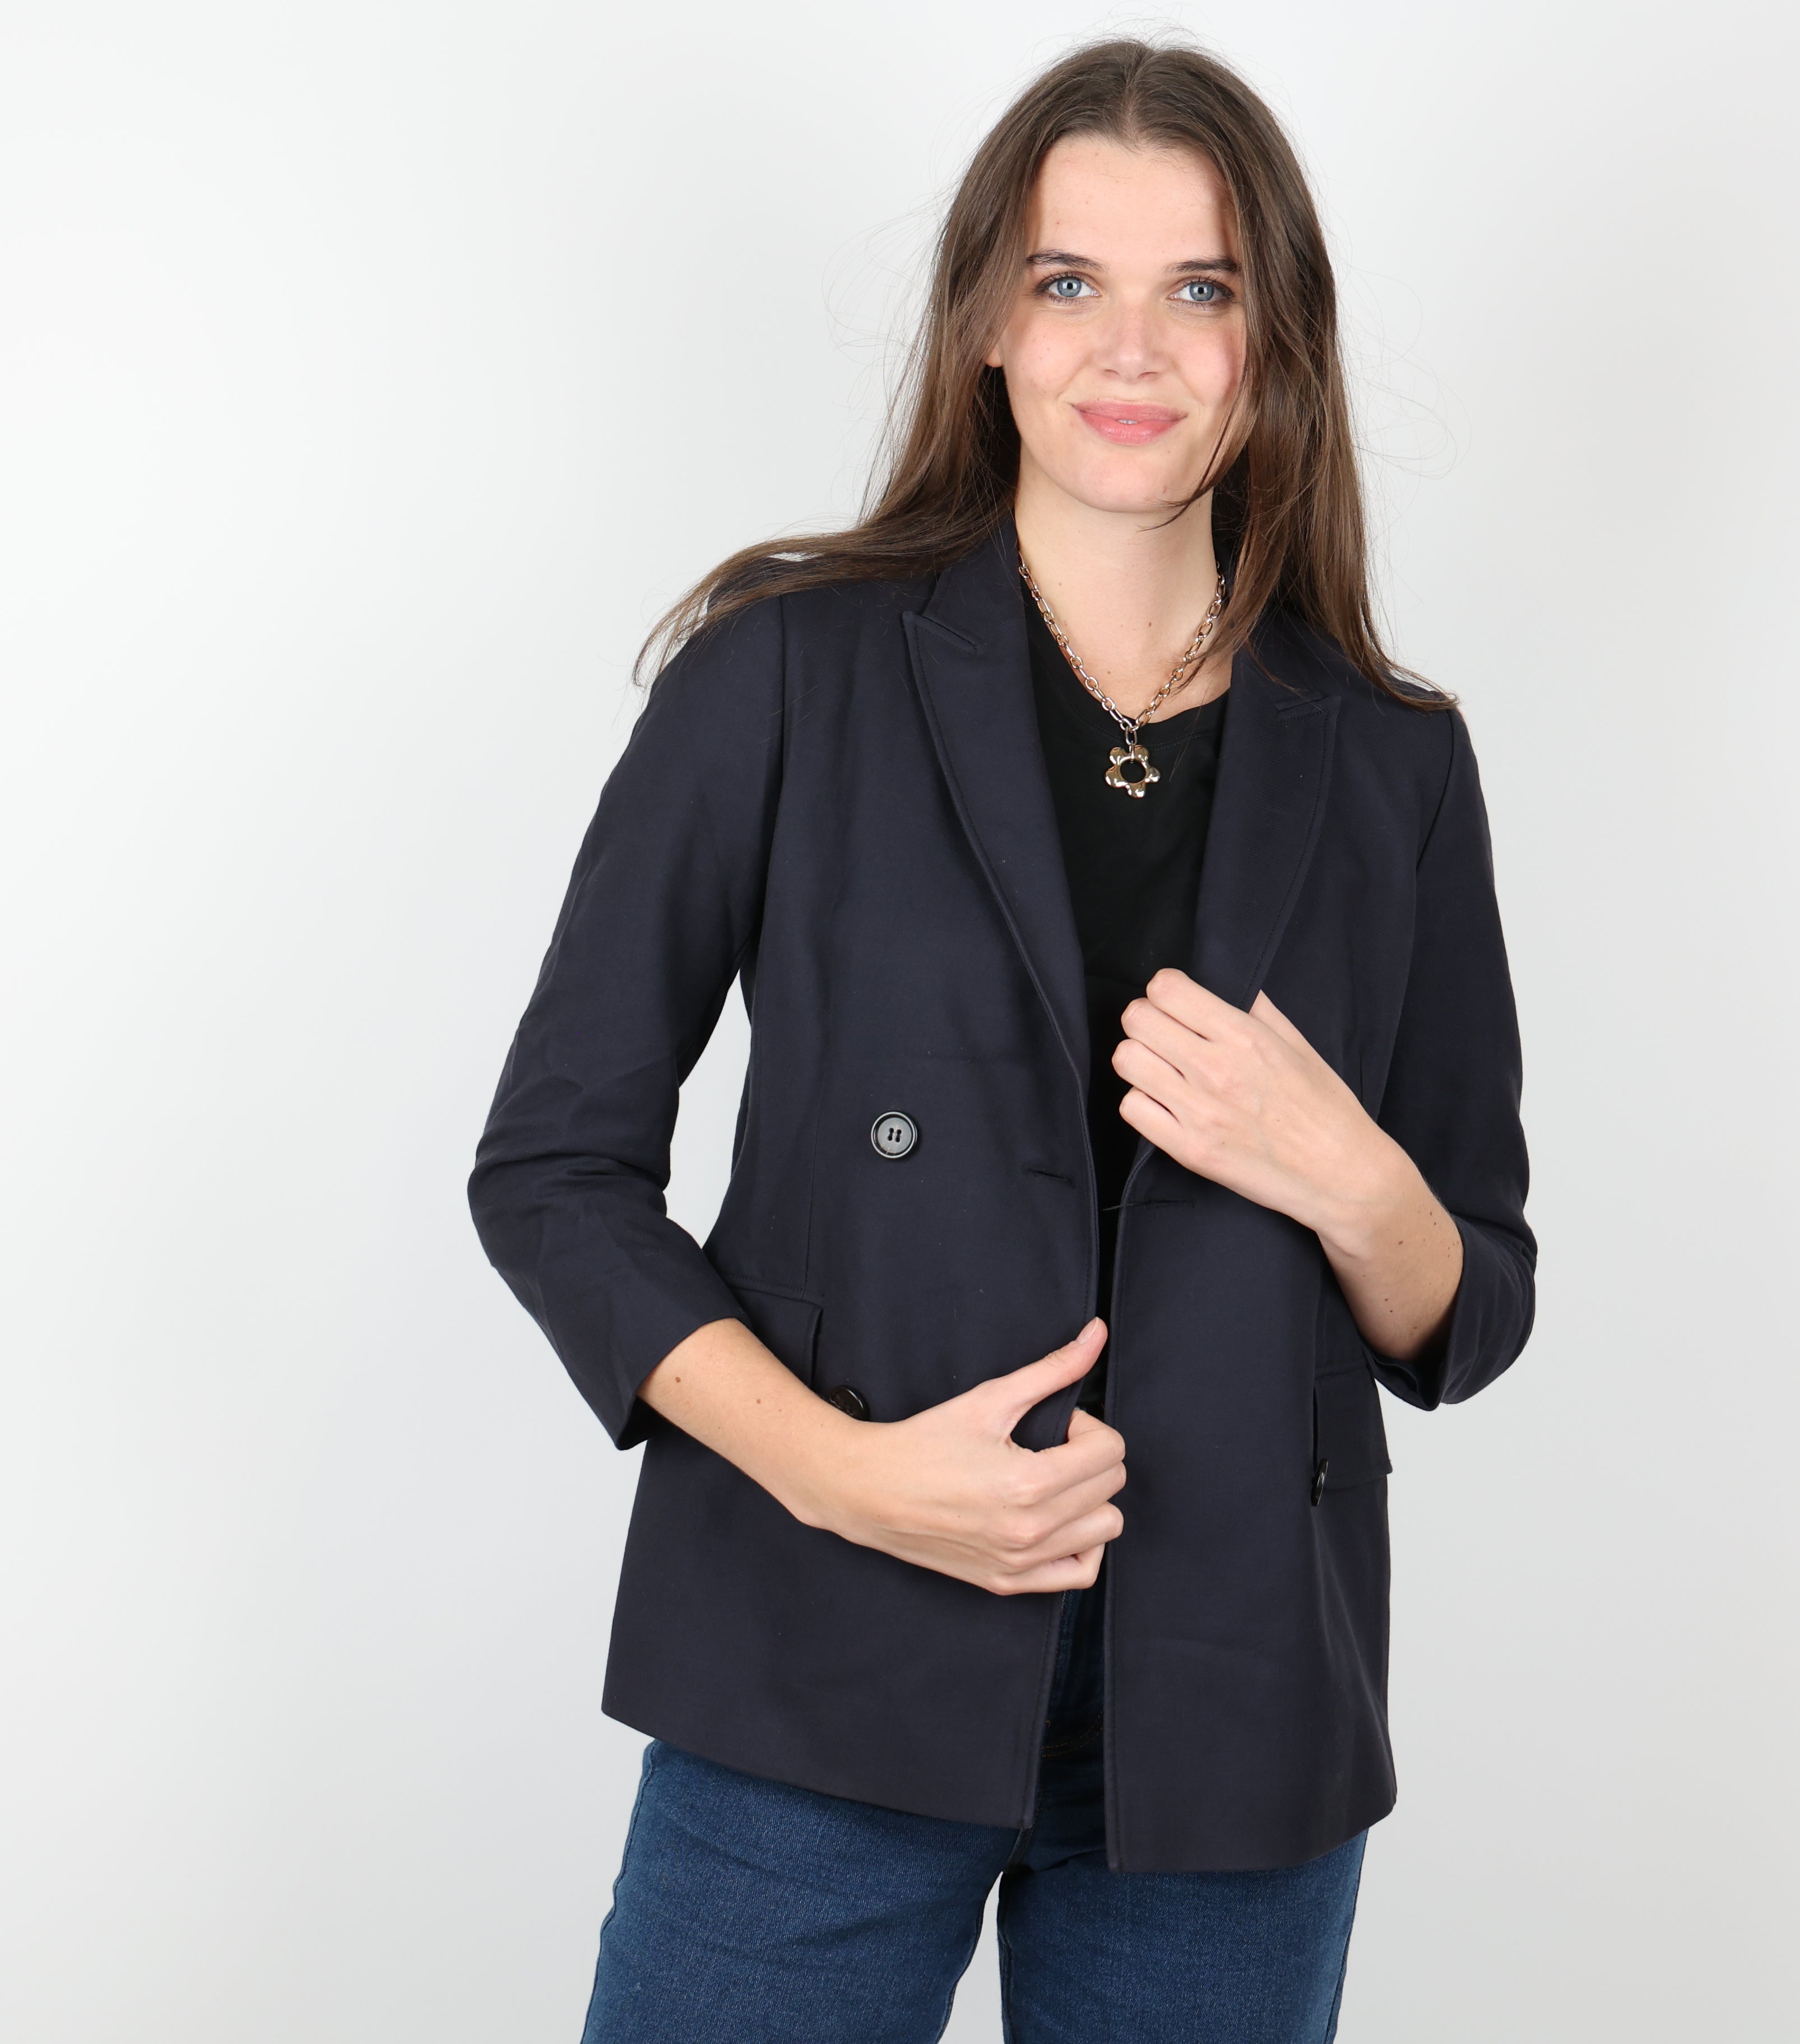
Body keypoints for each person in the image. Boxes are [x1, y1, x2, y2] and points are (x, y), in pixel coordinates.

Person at [470, 35, 1534, 2044]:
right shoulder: (785, 670)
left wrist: (1349, 1174)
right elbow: (554, 1172)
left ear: (1276, 344)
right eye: (1068, 282)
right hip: (820, 1656)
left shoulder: (1394, 761)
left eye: (1200, 288)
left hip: (1230, 1717)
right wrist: (844, 1477)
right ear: (984, 320)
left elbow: (1470, 1304)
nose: (1131, 348)